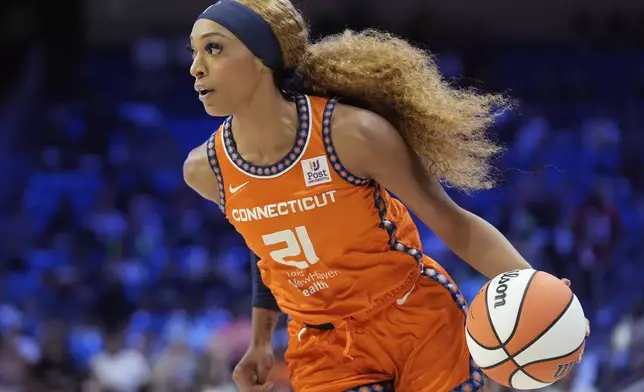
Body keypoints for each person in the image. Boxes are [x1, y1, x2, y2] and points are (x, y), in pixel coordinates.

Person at [182, 1, 588, 391]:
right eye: (195, 52)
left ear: (261, 56)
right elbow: (267, 247)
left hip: (414, 318)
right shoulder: (205, 171)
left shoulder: (352, 134)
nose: (195, 68)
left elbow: (451, 221)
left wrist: (540, 285)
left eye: (213, 49)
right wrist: (259, 341)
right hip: (323, 345)